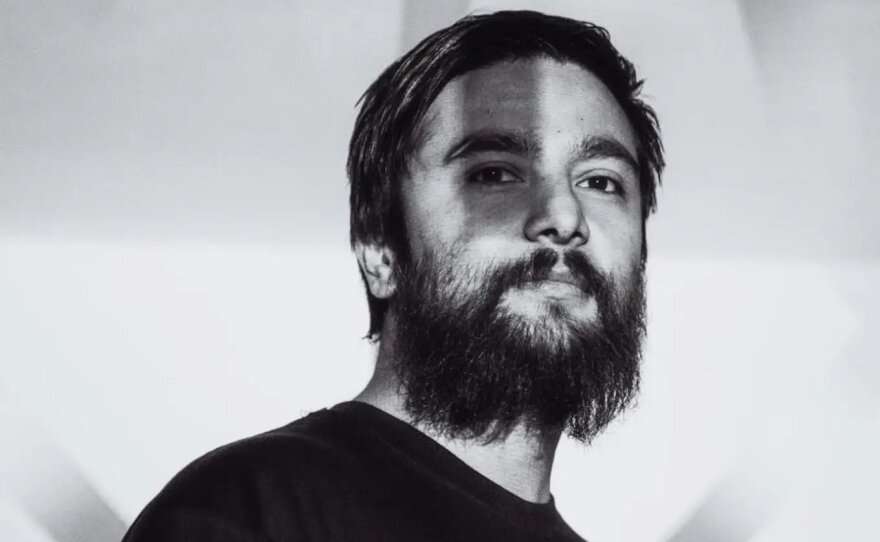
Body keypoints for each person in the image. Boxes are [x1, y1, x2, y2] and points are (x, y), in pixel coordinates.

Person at [123, 10, 664, 542]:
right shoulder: (247, 511)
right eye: (494, 174)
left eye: (602, 182)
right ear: (380, 250)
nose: (565, 217)